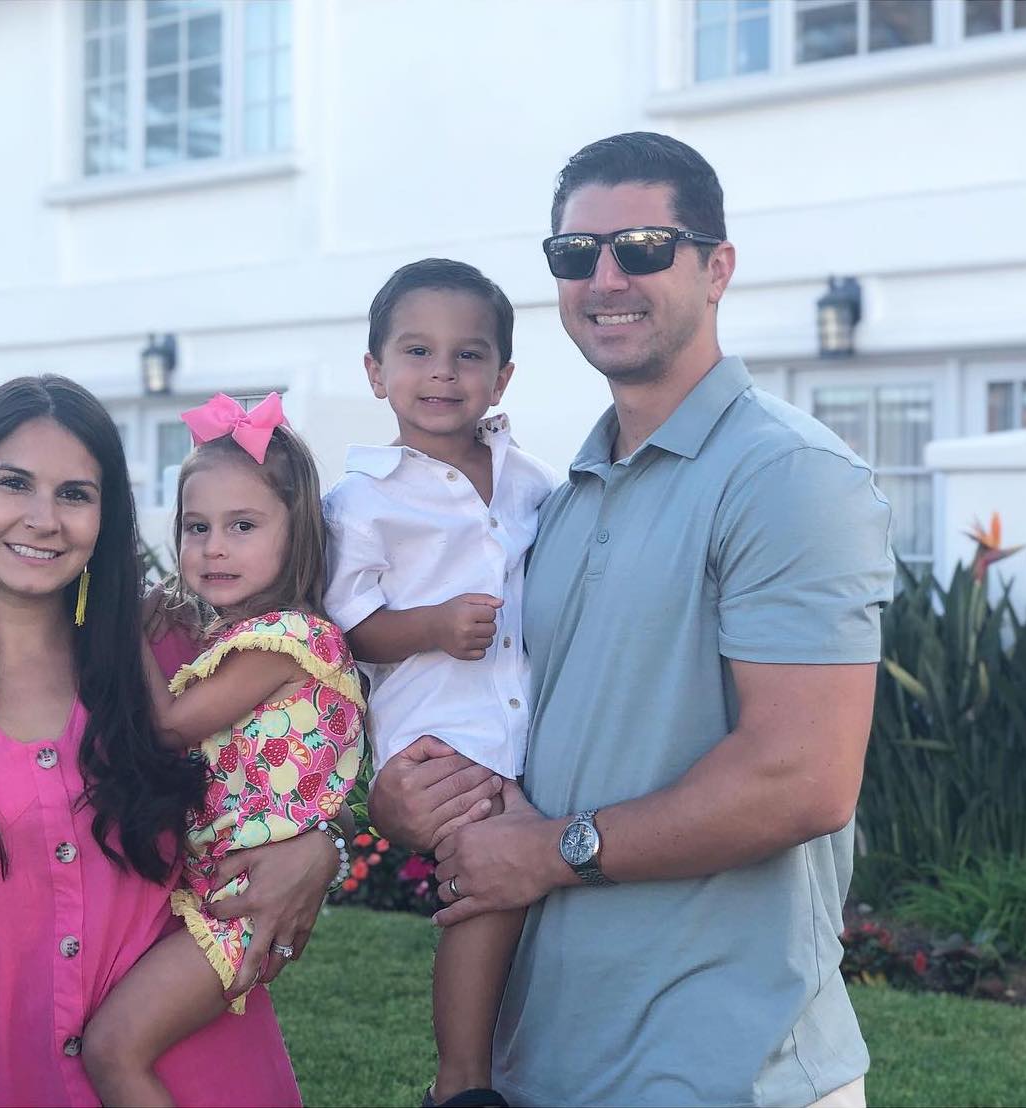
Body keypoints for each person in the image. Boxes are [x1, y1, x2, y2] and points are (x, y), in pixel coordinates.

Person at [370, 132, 896, 1107]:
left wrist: (547, 850)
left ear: (717, 268)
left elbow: (801, 779)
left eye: (644, 246)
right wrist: (406, 799)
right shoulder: (558, 498)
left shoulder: (789, 477)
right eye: (576, 253)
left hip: (729, 1069)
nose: (606, 277)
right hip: (542, 1061)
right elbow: (517, 726)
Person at [0, 375, 334, 1107]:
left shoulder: (179, 661)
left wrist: (322, 846)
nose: (43, 519)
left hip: (213, 1079)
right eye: (14, 483)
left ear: (107, 518)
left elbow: (308, 752)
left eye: (75, 494)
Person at [80, 392, 366, 1106]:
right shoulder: (237, 637)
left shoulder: (287, 641)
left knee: (113, 1050)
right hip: (220, 891)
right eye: (196, 526)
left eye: (243, 525)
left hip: (240, 909)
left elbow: (170, 726)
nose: (213, 547)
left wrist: (121, 624)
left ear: (297, 532)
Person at [321, 259, 555, 1108]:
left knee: (533, 890)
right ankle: (461, 1083)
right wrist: (431, 627)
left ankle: (514, 1062)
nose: (443, 373)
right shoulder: (362, 502)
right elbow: (347, 629)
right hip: (441, 733)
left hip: (529, 723)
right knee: (486, 888)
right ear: (376, 370)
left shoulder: (532, 480)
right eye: (417, 351)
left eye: (468, 354)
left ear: (503, 376)